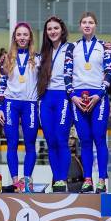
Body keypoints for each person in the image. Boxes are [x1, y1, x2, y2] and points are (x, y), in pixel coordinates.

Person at [64, 12, 111, 193]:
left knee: (99, 138)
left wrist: (100, 94)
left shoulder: (104, 47)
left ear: (95, 25)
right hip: (78, 97)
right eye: (84, 22)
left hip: (98, 97)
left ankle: (101, 180)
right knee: (84, 140)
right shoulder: (73, 47)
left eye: (91, 22)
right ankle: (87, 179)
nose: (87, 25)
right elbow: (67, 73)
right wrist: (72, 96)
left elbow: (109, 71)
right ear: (79, 26)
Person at [0, 22, 41, 192]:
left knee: (30, 144)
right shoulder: (7, 58)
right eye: (19, 35)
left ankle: (27, 180)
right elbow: (2, 83)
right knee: (12, 143)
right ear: (15, 37)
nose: (22, 37)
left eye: (25, 34)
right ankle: (16, 182)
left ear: (30, 37)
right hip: (10, 104)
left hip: (30, 104)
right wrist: (0, 106)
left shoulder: (37, 58)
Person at [37, 16, 73, 192]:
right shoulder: (43, 52)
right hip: (46, 98)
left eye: (55, 28)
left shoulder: (71, 48)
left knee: (61, 139)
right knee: (50, 141)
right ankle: (56, 179)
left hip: (63, 97)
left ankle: (62, 179)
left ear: (62, 30)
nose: (52, 31)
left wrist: (106, 47)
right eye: (49, 29)